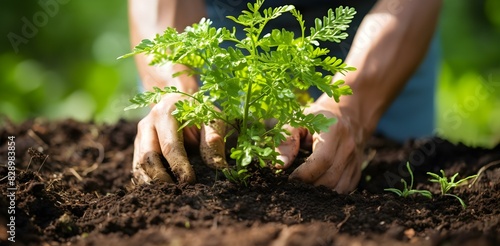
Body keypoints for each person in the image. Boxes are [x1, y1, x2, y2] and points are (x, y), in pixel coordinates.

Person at [127, 0, 442, 193]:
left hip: (382, 32)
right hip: (212, 25)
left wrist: (352, 108)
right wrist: (177, 85)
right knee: (191, 139)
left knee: (395, 164)